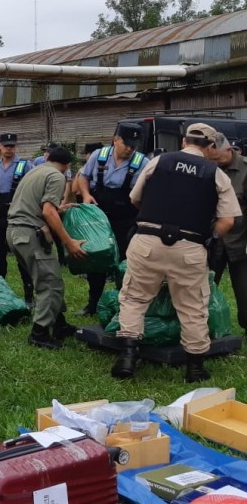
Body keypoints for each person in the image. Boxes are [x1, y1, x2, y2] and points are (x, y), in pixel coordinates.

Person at [112, 124, 240, 382]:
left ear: (184, 141)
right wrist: (207, 234)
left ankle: (127, 357)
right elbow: (228, 222)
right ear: (210, 146)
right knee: (192, 306)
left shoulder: (159, 161)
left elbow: (135, 198)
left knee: (135, 298)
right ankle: (195, 368)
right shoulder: (216, 173)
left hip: (147, 240)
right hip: (190, 247)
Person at [7, 146, 88, 349]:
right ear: (68, 165)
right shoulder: (56, 176)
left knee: (48, 277)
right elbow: (47, 212)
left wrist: (60, 208)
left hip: (15, 233)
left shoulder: (36, 171)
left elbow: (38, 204)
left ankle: (58, 323)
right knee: (50, 283)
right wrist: (69, 243)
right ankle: (39, 334)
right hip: (30, 234)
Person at [75, 123, 148, 315]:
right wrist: (85, 195)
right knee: (96, 259)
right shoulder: (99, 156)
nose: (131, 148)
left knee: (125, 263)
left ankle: (123, 305)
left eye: (135, 145)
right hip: (98, 219)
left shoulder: (143, 162)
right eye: (127, 144)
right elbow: (83, 178)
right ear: (116, 140)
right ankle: (93, 304)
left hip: (126, 220)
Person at [0, 133, 35, 305]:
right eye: (6, 146)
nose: (9, 149)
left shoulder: (25, 165)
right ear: (0, 146)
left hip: (17, 214)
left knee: (21, 254)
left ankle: (29, 295)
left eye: (12, 146)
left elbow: (31, 189)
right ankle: (1, 292)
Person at [207, 132, 247, 331]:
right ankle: (203, 329)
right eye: (210, 159)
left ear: (229, 150)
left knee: (244, 291)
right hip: (212, 242)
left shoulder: (245, 170)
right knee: (203, 289)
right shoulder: (208, 168)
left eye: (217, 158)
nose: (213, 162)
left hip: (239, 241)